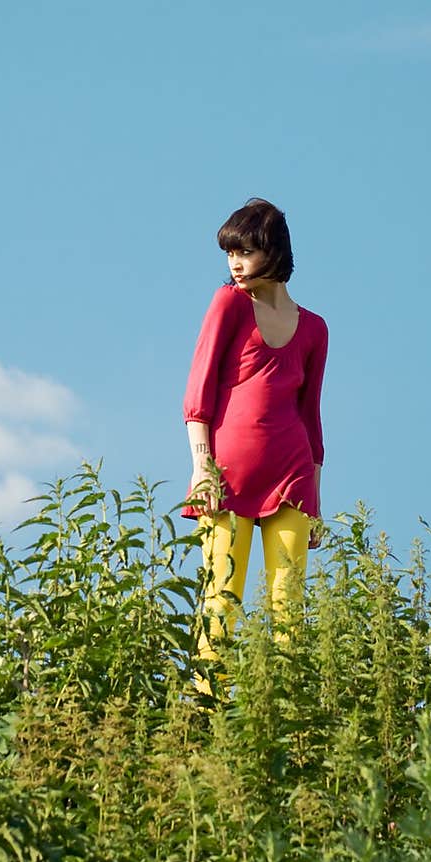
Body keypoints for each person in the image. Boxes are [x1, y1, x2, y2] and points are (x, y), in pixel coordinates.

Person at [181, 197, 329, 689]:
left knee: (290, 609)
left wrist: (317, 502)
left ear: (274, 251)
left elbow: (311, 416)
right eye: (229, 254)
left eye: (245, 252)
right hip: (225, 474)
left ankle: (289, 719)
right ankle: (208, 715)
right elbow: (198, 391)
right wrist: (202, 466)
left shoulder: (314, 329)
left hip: (292, 476)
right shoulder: (228, 303)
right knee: (221, 598)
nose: (235, 264)